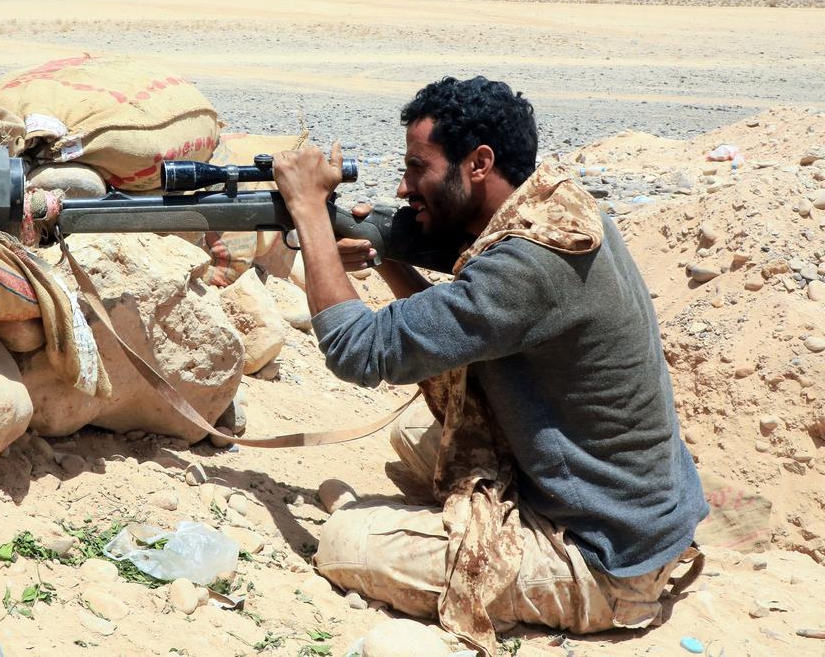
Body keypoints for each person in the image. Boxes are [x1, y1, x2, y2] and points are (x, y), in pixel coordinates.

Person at [272, 76, 707, 655]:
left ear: (479, 163)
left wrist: (310, 217)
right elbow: (462, 318)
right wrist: (381, 257)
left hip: (608, 555)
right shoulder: (558, 211)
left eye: (417, 167)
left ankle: (575, 581)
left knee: (345, 545)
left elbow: (359, 349)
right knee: (416, 437)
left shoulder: (530, 266)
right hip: (638, 505)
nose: (403, 187)